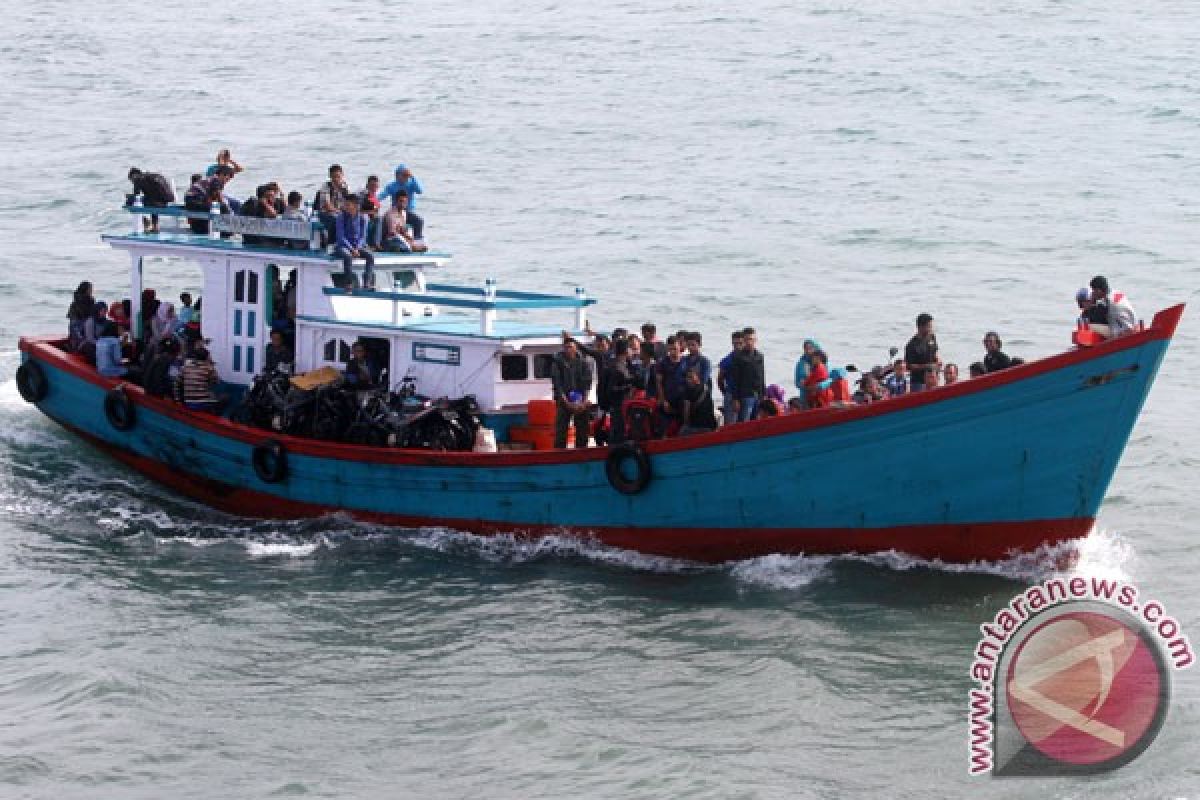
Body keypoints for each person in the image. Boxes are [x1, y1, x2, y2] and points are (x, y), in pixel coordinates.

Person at [550, 338, 593, 449]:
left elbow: (587, 383)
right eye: (566, 347)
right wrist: (566, 402)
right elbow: (557, 384)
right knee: (561, 430)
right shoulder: (557, 362)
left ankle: (581, 452)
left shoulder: (584, 362)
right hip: (564, 400)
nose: (569, 349)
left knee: (582, 430)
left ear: (576, 348)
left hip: (580, 400)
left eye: (571, 347)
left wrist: (583, 402)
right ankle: (559, 454)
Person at [334, 195, 375, 290]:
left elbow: (363, 236)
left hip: (357, 247)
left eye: (348, 205)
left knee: (370, 256)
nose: (345, 207)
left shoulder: (363, 218)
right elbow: (341, 237)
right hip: (343, 246)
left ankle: (367, 283)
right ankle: (348, 283)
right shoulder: (341, 217)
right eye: (345, 205)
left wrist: (357, 248)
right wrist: (352, 249)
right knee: (347, 256)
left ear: (356, 206)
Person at [376, 165, 425, 241]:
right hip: (396, 212)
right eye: (401, 175)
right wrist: (374, 201)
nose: (404, 177)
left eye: (405, 175)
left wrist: (412, 177)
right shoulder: (391, 185)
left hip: (408, 212)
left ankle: (417, 240)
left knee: (419, 221)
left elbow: (420, 191)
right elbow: (382, 195)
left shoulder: (411, 184)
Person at [183, 165, 235, 233]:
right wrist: (226, 208)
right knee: (223, 208)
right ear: (222, 174)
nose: (227, 182)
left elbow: (211, 197)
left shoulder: (209, 179)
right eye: (227, 179)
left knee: (216, 207)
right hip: (196, 201)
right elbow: (217, 195)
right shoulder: (216, 180)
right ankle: (227, 231)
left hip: (190, 202)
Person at [730, 327, 765, 422]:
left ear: (755, 340)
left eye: (751, 339)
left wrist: (763, 395)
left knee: (756, 420)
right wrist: (735, 399)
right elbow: (735, 380)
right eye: (747, 339)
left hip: (757, 394)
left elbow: (762, 376)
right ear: (743, 341)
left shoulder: (759, 356)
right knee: (744, 421)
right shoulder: (738, 357)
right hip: (745, 396)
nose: (749, 342)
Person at [603, 339, 635, 443]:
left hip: (622, 405)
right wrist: (628, 387)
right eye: (630, 348)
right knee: (618, 432)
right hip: (618, 406)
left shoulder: (623, 364)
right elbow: (611, 389)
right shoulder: (617, 367)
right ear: (626, 351)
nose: (632, 351)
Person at [655, 338, 688, 436]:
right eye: (670, 349)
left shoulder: (685, 361)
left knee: (682, 425)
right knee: (665, 426)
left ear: (680, 347)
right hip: (668, 399)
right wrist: (663, 400)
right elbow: (659, 382)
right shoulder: (662, 363)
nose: (673, 351)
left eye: (675, 348)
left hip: (683, 399)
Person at [126, 167, 175, 232]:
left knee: (129, 202)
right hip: (166, 200)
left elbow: (136, 195)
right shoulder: (153, 175)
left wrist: (129, 196)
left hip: (158, 202)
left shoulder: (138, 179)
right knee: (152, 200)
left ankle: (145, 221)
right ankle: (155, 226)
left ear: (134, 175)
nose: (132, 182)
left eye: (131, 180)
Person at [315, 164, 351, 246]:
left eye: (338, 176)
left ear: (342, 175)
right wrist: (340, 211)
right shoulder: (326, 186)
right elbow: (328, 206)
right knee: (335, 218)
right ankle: (331, 243)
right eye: (333, 176)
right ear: (330, 176)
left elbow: (350, 202)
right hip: (325, 213)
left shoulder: (345, 186)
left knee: (356, 217)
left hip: (339, 211)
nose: (336, 179)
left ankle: (352, 243)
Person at [905, 313, 940, 392]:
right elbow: (909, 366)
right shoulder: (911, 345)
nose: (931, 329)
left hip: (933, 378)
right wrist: (927, 366)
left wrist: (937, 360)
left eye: (931, 326)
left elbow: (935, 352)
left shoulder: (932, 337)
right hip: (918, 382)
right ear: (920, 327)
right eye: (929, 326)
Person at [181, 344, 221, 411]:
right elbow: (217, 382)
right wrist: (211, 366)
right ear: (207, 358)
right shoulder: (208, 368)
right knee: (225, 398)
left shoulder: (186, 366)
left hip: (187, 401)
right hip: (201, 403)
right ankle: (214, 414)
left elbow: (178, 380)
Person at [717, 330, 743, 425]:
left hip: (746, 395)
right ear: (732, 343)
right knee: (731, 424)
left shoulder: (748, 359)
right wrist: (726, 393)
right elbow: (720, 379)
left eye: (740, 343)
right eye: (735, 343)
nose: (737, 346)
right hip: (731, 395)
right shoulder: (727, 360)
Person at [680, 367, 718, 433]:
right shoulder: (706, 387)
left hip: (696, 427)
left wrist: (686, 424)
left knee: (682, 432)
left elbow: (686, 411)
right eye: (687, 378)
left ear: (697, 377)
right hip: (711, 426)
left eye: (690, 377)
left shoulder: (688, 391)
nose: (688, 380)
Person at [66, 281, 94, 351]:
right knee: (78, 334)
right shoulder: (77, 300)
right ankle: (75, 346)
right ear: (85, 289)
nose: (92, 290)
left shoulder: (90, 300)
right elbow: (77, 315)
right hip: (77, 322)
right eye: (90, 288)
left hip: (85, 322)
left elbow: (92, 313)